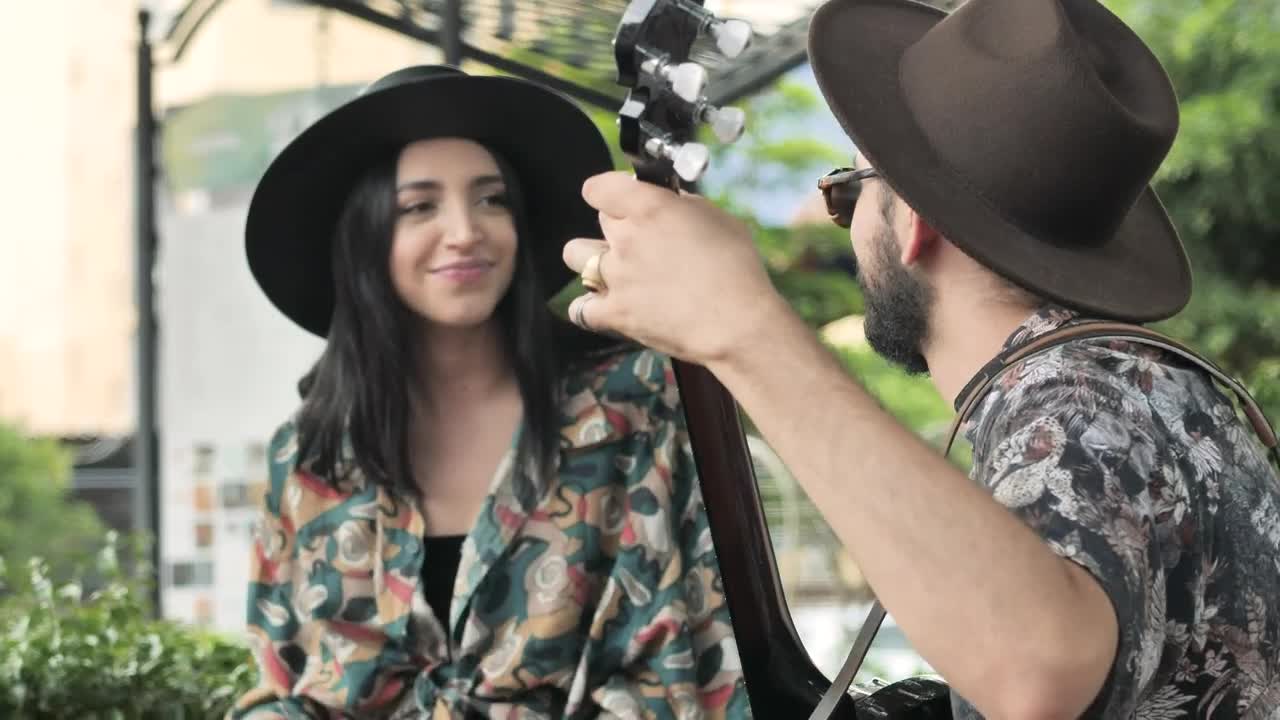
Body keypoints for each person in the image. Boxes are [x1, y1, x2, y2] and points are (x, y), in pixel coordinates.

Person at [561, 0, 1280, 717]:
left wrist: (743, 328)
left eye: (849, 190)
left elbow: (1035, 670)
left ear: (912, 222)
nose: (844, 223)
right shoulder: (1154, 387)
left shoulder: (1077, 402)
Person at [229, 65, 747, 719]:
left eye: (491, 199)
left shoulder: (631, 403)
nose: (466, 231)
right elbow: (283, 680)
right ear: (366, 239)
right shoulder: (309, 456)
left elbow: (699, 652)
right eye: (420, 206)